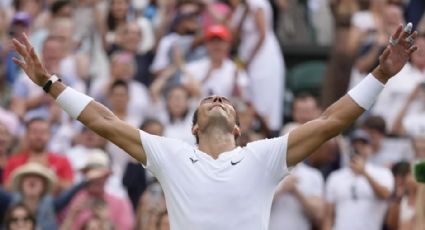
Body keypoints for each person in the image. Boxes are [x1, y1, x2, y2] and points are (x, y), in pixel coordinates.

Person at [11, 23, 418, 229]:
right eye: (208, 101)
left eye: (223, 100)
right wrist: (49, 83)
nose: (218, 99)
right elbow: (105, 121)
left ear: (239, 129)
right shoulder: (171, 154)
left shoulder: (264, 156)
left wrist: (380, 75)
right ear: (193, 127)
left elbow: (331, 121)